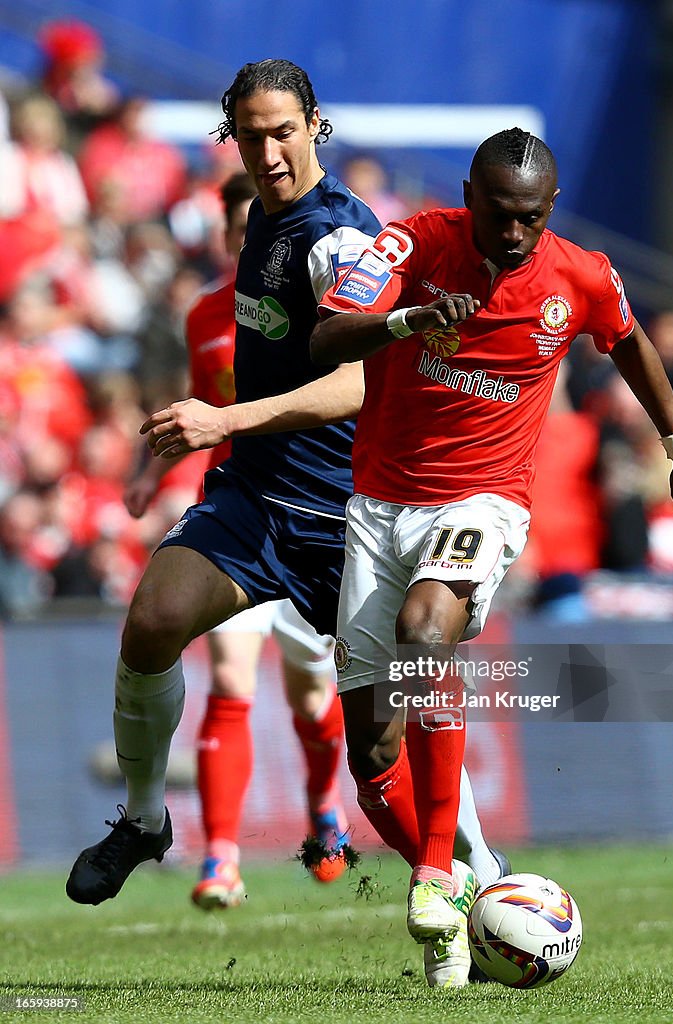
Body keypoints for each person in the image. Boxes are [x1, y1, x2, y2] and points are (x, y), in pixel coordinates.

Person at [66, 62, 507, 982]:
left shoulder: (340, 236)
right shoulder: (263, 220)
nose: (268, 152)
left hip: (349, 518)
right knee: (151, 621)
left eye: (284, 133)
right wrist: (217, 440)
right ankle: (148, 821)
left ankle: (484, 886)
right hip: (256, 496)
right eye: (250, 135)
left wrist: (220, 418)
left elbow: (356, 381)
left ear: (317, 125)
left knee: (379, 753)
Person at [309, 127, 673, 986]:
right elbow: (324, 340)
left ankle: (429, 872)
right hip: (379, 509)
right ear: (469, 194)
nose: (512, 234)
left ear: (551, 210)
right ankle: (466, 897)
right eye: (497, 214)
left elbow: (632, 343)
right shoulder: (414, 241)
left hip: (483, 502)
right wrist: (407, 319)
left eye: (529, 219)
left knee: (430, 632)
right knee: (373, 760)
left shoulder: (578, 274)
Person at [123, 170, 349, 903]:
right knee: (228, 677)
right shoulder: (206, 316)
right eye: (231, 224)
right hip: (238, 516)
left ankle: (324, 810)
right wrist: (148, 474)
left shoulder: (323, 289)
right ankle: (221, 857)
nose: (240, 235)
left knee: (315, 698)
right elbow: (192, 404)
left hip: (315, 515)